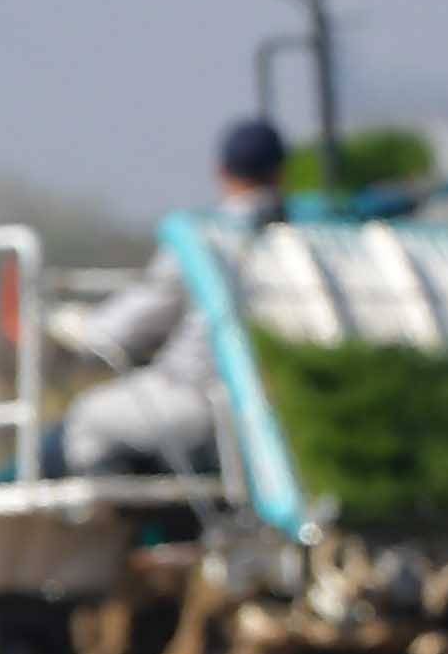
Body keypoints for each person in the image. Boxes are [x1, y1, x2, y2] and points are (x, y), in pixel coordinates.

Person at [47, 117, 293, 478]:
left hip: (201, 405)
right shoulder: (306, 238)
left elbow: (120, 329)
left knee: (84, 421)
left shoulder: (201, 238)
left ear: (221, 172)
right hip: (277, 409)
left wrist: (74, 326)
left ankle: (115, 528)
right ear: (281, 173)